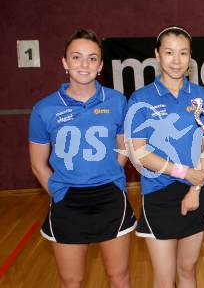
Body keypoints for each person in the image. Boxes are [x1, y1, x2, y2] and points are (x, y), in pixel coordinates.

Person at [29, 28, 136, 288]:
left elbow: (124, 147)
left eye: (91, 58)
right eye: (76, 57)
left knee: (119, 277)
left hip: (110, 198)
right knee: (71, 281)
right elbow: (38, 163)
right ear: (65, 63)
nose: (84, 64)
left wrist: (111, 176)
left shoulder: (117, 100)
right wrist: (58, 192)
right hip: (68, 201)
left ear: (100, 65)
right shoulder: (44, 108)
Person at [125, 26, 204, 288]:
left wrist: (196, 187)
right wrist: (183, 172)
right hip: (159, 194)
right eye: (169, 52)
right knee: (164, 279)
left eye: (183, 53)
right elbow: (139, 153)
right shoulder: (141, 98)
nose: (177, 60)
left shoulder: (202, 96)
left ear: (190, 57)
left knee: (187, 270)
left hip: (196, 191)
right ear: (157, 54)